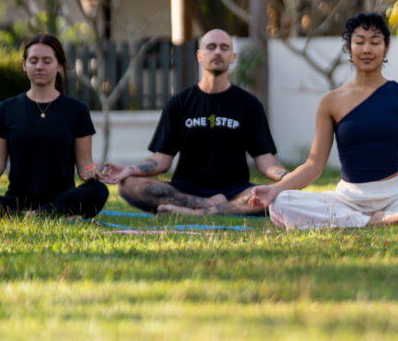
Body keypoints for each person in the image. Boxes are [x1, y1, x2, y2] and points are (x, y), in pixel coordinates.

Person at [173, 12, 398, 227]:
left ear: (386, 47)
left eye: (375, 41)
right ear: (349, 48)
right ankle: (369, 221)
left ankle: (380, 218)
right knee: (281, 206)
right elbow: (313, 166)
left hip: (397, 196)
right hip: (348, 198)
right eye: (360, 41)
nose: (367, 48)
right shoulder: (330, 102)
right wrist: (275, 189)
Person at [101, 28, 288, 214]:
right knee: (129, 185)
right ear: (199, 55)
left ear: (232, 57)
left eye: (224, 48)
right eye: (211, 47)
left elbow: (265, 161)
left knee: (280, 194)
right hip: (186, 189)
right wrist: (129, 170)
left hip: (236, 190)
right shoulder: (179, 103)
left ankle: (196, 210)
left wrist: (288, 177)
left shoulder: (249, 104)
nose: (217, 52)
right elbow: (162, 160)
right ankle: (209, 206)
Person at [0, 34, 108, 218]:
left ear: (59, 65)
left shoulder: (77, 110)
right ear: (24, 64)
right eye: (33, 61)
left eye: (47, 61)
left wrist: (91, 174)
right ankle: (39, 215)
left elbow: (84, 163)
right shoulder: (6, 109)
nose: (39, 66)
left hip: (61, 199)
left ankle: (37, 215)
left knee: (98, 190)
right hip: (17, 202)